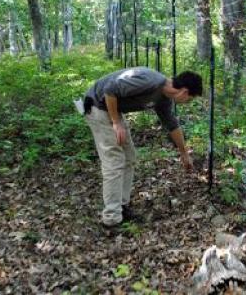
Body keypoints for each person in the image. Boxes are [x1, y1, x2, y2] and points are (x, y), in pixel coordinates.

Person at [83, 67, 203, 227]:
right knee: (114, 161)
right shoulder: (150, 81)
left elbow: (172, 125)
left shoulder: (164, 99)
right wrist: (116, 122)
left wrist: (184, 153)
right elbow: (109, 89)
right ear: (184, 92)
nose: (188, 103)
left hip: (112, 110)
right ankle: (111, 218)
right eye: (190, 99)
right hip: (98, 106)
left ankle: (121, 206)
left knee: (129, 157)